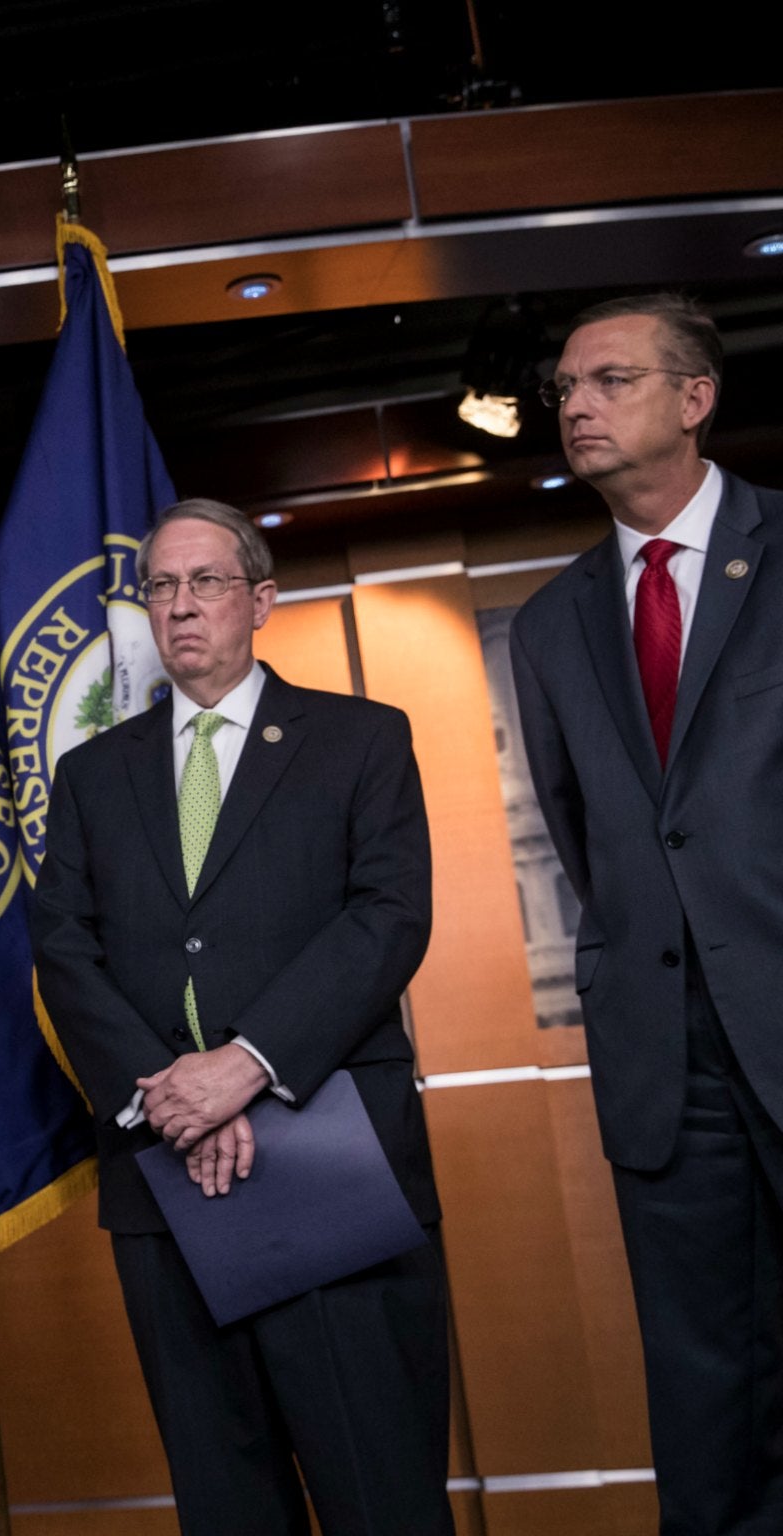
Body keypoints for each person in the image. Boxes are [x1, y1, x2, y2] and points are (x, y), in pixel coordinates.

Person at [31, 498, 447, 1535]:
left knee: (378, 1492)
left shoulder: (359, 738)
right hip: (160, 1171)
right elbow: (63, 951)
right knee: (224, 1504)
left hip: (328, 1152)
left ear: (260, 601)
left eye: (206, 582)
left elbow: (387, 918)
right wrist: (174, 1098)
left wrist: (246, 1065)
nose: (180, 608)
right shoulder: (90, 774)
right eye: (160, 588)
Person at [511, 292, 783, 1535]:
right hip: (663, 1066)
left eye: (608, 380)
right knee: (703, 1393)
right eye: (565, 387)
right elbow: (590, 839)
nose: (573, 404)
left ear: (693, 399)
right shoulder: (554, 619)